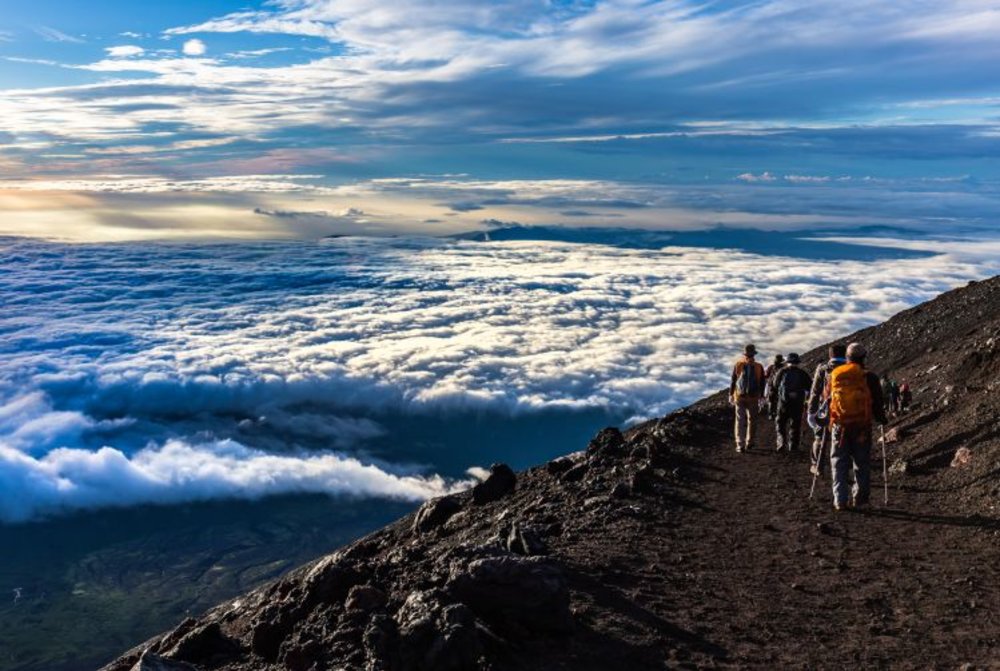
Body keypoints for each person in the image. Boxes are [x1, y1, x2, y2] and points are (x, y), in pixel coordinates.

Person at [826, 342, 886, 511]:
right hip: (861, 426)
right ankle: (860, 498)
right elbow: (877, 403)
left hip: (840, 426)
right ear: (863, 358)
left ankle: (840, 500)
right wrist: (881, 419)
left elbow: (828, 399)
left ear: (847, 357)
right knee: (861, 462)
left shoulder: (835, 374)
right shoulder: (870, 377)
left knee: (838, 462)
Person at [806, 344, 847, 476]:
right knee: (843, 438)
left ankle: (817, 465)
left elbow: (815, 391)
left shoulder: (823, 369)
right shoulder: (851, 368)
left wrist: (811, 411)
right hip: (846, 409)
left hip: (826, 408)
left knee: (820, 437)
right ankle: (842, 469)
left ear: (830, 355)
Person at [769, 353, 811, 452]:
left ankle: (781, 442)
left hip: (783, 402)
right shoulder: (802, 373)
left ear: (787, 362)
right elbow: (810, 387)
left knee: (780, 423)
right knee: (795, 424)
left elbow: (774, 386)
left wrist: (772, 403)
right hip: (797, 403)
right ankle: (793, 446)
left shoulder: (782, 372)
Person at [730, 343, 766, 453]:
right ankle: (749, 442)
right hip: (753, 397)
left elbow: (733, 381)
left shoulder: (738, 364)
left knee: (740, 420)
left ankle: (739, 444)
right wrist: (762, 396)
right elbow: (762, 382)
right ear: (754, 354)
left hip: (739, 396)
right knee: (752, 420)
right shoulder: (759, 366)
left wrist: (731, 394)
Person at [763, 354, 785, 419]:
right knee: (780, 400)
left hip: (771, 386)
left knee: (771, 400)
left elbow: (766, 376)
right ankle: (778, 413)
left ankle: (771, 414)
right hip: (780, 386)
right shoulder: (784, 368)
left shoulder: (771, 367)